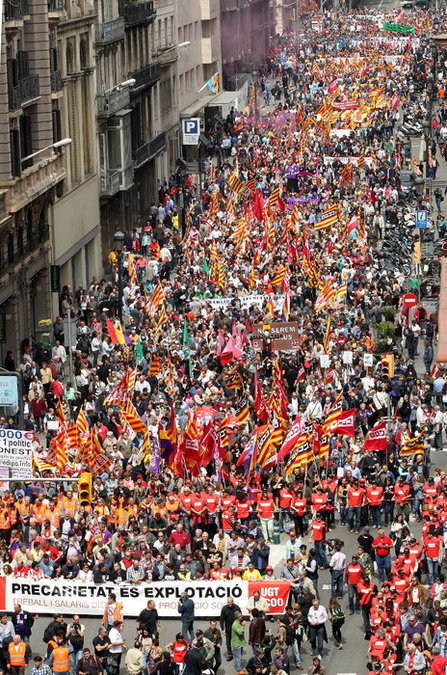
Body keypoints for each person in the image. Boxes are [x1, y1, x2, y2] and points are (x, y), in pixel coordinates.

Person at [219, 597, 241, 661]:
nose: (229, 603)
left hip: (236, 629)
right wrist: (223, 629)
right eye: (228, 602)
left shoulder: (236, 608)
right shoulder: (224, 608)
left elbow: (240, 617)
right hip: (228, 629)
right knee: (228, 643)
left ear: (233, 601)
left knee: (236, 642)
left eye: (230, 602)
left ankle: (237, 654)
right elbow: (221, 619)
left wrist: (241, 626)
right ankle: (230, 655)